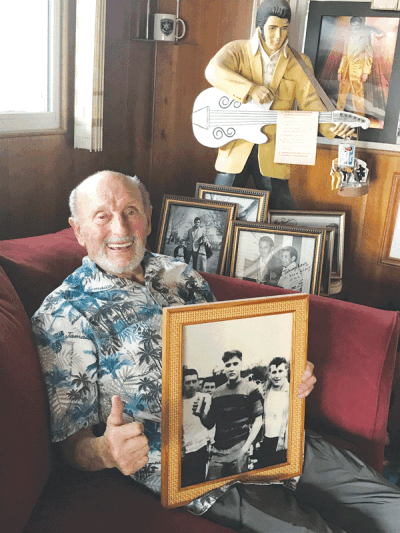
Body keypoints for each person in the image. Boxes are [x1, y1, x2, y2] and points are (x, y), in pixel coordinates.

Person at [32, 170, 400, 532]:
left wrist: (288, 375)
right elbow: (71, 445)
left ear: (147, 218)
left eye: (130, 211)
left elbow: (232, 348)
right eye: (102, 216)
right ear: (78, 229)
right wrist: (107, 452)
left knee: (390, 508)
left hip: (272, 434)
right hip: (194, 468)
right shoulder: (63, 313)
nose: (120, 229)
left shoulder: (179, 273)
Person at [205, 0, 354, 210]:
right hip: (236, 144)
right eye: (272, 28)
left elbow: (311, 102)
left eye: (284, 29)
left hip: (274, 150)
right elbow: (213, 71)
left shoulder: (299, 62)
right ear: (260, 27)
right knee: (217, 206)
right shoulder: (238, 50)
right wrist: (250, 89)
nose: (278, 35)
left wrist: (332, 127)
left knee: (282, 209)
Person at [193, 350, 264, 480]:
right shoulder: (217, 392)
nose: (231, 368)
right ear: (224, 368)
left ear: (241, 365)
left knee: (238, 489)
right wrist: (201, 414)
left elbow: (258, 421)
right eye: (228, 365)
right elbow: (209, 424)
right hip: (218, 451)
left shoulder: (251, 389)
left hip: (239, 447)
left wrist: (245, 448)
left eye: (235, 364)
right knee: (211, 488)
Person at [336, 17, 383, 117]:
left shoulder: (365, 39)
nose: (355, 27)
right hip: (346, 71)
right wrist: (340, 71)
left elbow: (369, 56)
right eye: (353, 25)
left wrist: (366, 72)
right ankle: (338, 113)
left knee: (357, 95)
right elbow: (345, 55)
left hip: (357, 71)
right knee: (342, 93)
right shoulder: (348, 38)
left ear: (360, 26)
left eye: (357, 25)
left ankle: (359, 116)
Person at [255, 357, 290, 468]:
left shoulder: (291, 392)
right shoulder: (265, 391)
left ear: (286, 372)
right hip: (266, 439)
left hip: (281, 441)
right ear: (269, 374)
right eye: (273, 372)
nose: (277, 376)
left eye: (280, 371)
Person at [181, 368, 211, 487]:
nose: (192, 385)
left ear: (199, 382)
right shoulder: (177, 403)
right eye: (188, 382)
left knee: (198, 484)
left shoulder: (205, 398)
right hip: (184, 452)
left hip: (200, 448)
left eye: (194, 381)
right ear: (182, 384)